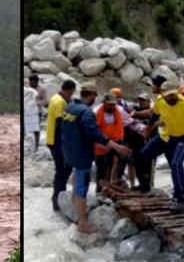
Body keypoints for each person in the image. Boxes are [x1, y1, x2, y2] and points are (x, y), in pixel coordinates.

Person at [60, 87, 131, 233]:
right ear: (90, 95)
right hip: (82, 155)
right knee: (82, 188)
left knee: (76, 185)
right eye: (94, 96)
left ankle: (76, 213)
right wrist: (117, 147)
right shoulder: (86, 112)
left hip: (69, 151)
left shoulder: (70, 107)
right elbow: (96, 134)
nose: (95, 99)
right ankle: (83, 223)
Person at [130, 75, 168, 192]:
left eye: (153, 84)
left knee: (173, 163)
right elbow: (153, 115)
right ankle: (145, 185)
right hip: (160, 136)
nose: (151, 87)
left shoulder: (165, 98)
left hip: (166, 136)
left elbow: (152, 115)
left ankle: (149, 186)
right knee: (142, 157)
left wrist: (136, 115)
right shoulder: (161, 99)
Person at [47, 80, 76, 211]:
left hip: (52, 139)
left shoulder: (55, 97)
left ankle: (57, 196)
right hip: (57, 141)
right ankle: (58, 199)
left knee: (62, 170)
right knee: (62, 170)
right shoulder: (60, 102)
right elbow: (61, 124)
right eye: (71, 93)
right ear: (70, 90)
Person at [93, 94, 129, 192]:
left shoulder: (119, 111)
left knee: (124, 155)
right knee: (102, 171)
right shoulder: (95, 112)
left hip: (116, 142)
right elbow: (93, 131)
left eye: (114, 105)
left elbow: (128, 121)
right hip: (100, 146)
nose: (112, 107)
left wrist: (142, 129)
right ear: (104, 103)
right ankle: (100, 192)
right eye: (110, 105)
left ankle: (117, 180)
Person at [125, 95, 151, 189]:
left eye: (143, 100)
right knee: (137, 164)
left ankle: (148, 185)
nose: (141, 102)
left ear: (148, 101)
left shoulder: (152, 111)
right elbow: (129, 123)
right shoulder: (134, 111)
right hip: (135, 143)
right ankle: (141, 184)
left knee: (148, 166)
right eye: (140, 100)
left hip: (148, 143)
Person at [23, 81, 40, 153]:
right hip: (32, 112)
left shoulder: (30, 91)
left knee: (26, 130)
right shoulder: (33, 91)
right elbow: (37, 99)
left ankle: (34, 147)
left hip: (29, 111)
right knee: (35, 130)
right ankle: (36, 147)